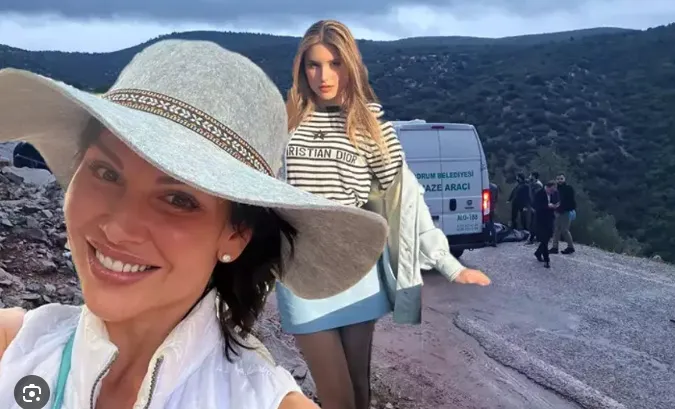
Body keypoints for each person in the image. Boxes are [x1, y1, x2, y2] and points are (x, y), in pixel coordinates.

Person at [0, 39, 397, 408]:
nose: (119, 229)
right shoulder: (14, 346)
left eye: (178, 199)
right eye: (106, 172)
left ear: (235, 235)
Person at [278, 19, 490, 409]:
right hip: (301, 274)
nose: (324, 76)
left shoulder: (371, 126)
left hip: (357, 269)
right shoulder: (288, 123)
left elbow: (406, 198)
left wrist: (447, 263)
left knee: (359, 388)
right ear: (301, 69)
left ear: (351, 66)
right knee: (337, 395)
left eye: (335, 64)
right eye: (314, 65)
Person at [533, 181, 559, 268]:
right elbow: (536, 206)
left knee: (547, 238)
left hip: (550, 219)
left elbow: (556, 202)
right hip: (541, 219)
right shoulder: (539, 193)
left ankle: (538, 252)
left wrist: (555, 206)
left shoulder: (554, 194)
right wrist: (547, 206)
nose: (552, 192)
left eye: (554, 190)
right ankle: (547, 260)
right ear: (547, 187)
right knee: (544, 240)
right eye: (551, 190)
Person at [550, 173, 576, 254]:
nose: (560, 180)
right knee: (556, 229)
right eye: (558, 179)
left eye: (561, 179)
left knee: (564, 230)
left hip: (566, 211)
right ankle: (555, 247)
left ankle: (570, 247)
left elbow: (569, 201)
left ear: (564, 179)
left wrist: (560, 208)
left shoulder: (568, 188)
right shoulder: (555, 189)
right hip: (557, 211)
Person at [527, 171, 543, 244]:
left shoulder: (537, 185)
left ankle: (532, 238)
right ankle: (535, 237)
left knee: (534, 222)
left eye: (530, 175)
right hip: (533, 205)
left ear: (533, 176)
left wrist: (534, 206)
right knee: (534, 222)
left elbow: (537, 197)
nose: (529, 176)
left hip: (537, 206)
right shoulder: (533, 183)